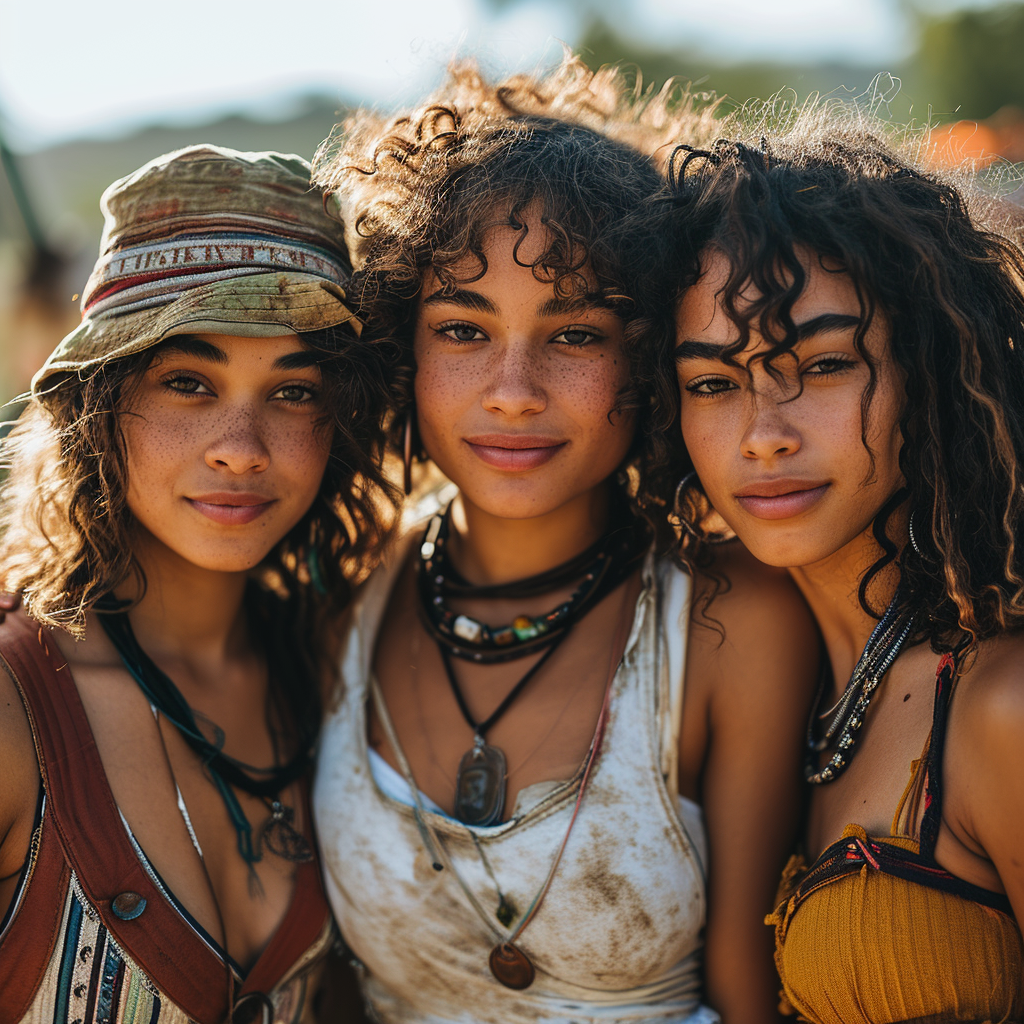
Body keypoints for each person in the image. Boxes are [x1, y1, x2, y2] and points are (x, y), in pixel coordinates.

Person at [311, 60, 819, 1024]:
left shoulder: (729, 619)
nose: (513, 387)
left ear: (652, 358)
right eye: (462, 330)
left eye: (576, 334)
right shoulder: (348, 591)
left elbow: (750, 993)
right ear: (396, 346)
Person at [0, 144, 392, 1023]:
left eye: (295, 391)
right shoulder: (14, 711)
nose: (242, 447)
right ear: (99, 406)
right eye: (188, 382)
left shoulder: (336, 670)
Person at [646, 112, 1024, 1022]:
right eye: (712, 382)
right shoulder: (760, 667)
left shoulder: (999, 707)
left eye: (820, 365)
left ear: (927, 369)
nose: (763, 436)